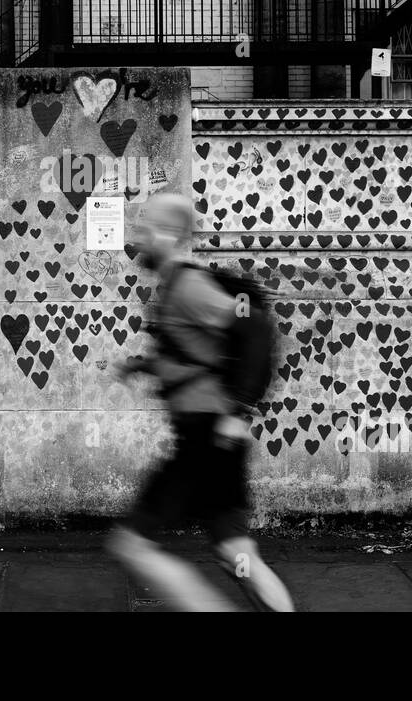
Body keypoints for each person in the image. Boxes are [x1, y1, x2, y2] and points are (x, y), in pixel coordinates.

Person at [106, 191, 294, 612]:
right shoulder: (175, 287)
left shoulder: (189, 286)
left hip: (205, 440)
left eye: (144, 228)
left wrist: (236, 410)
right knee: (237, 556)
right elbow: (194, 356)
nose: (137, 238)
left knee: (132, 546)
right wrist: (144, 367)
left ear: (168, 234)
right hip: (212, 442)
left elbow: (255, 331)